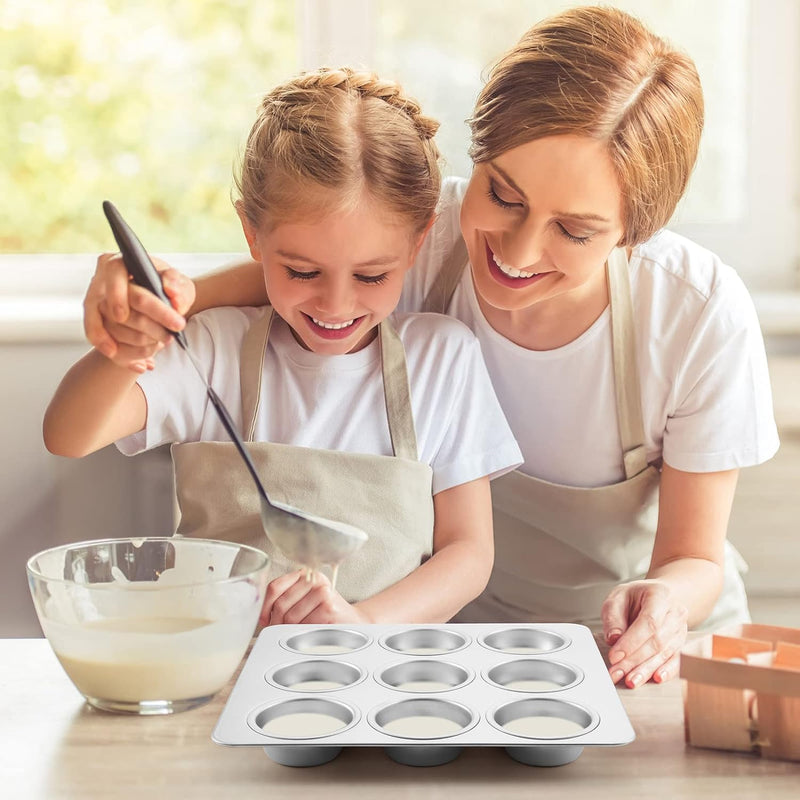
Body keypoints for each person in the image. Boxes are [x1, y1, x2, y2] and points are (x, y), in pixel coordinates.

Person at [79, 6, 779, 689]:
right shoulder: (414, 239)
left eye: (575, 230)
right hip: (458, 639)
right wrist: (141, 300)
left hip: (641, 656)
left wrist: (664, 602)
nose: (518, 249)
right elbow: (273, 277)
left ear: (633, 233)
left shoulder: (694, 315)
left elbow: (694, 556)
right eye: (502, 194)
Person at [44, 67, 523, 629]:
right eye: (301, 271)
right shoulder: (215, 348)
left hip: (377, 671)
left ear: (419, 240)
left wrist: (363, 624)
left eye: (371, 277)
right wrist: (120, 351)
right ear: (252, 234)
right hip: (219, 669)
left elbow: (468, 554)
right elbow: (68, 436)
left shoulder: (444, 359)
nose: (336, 305)